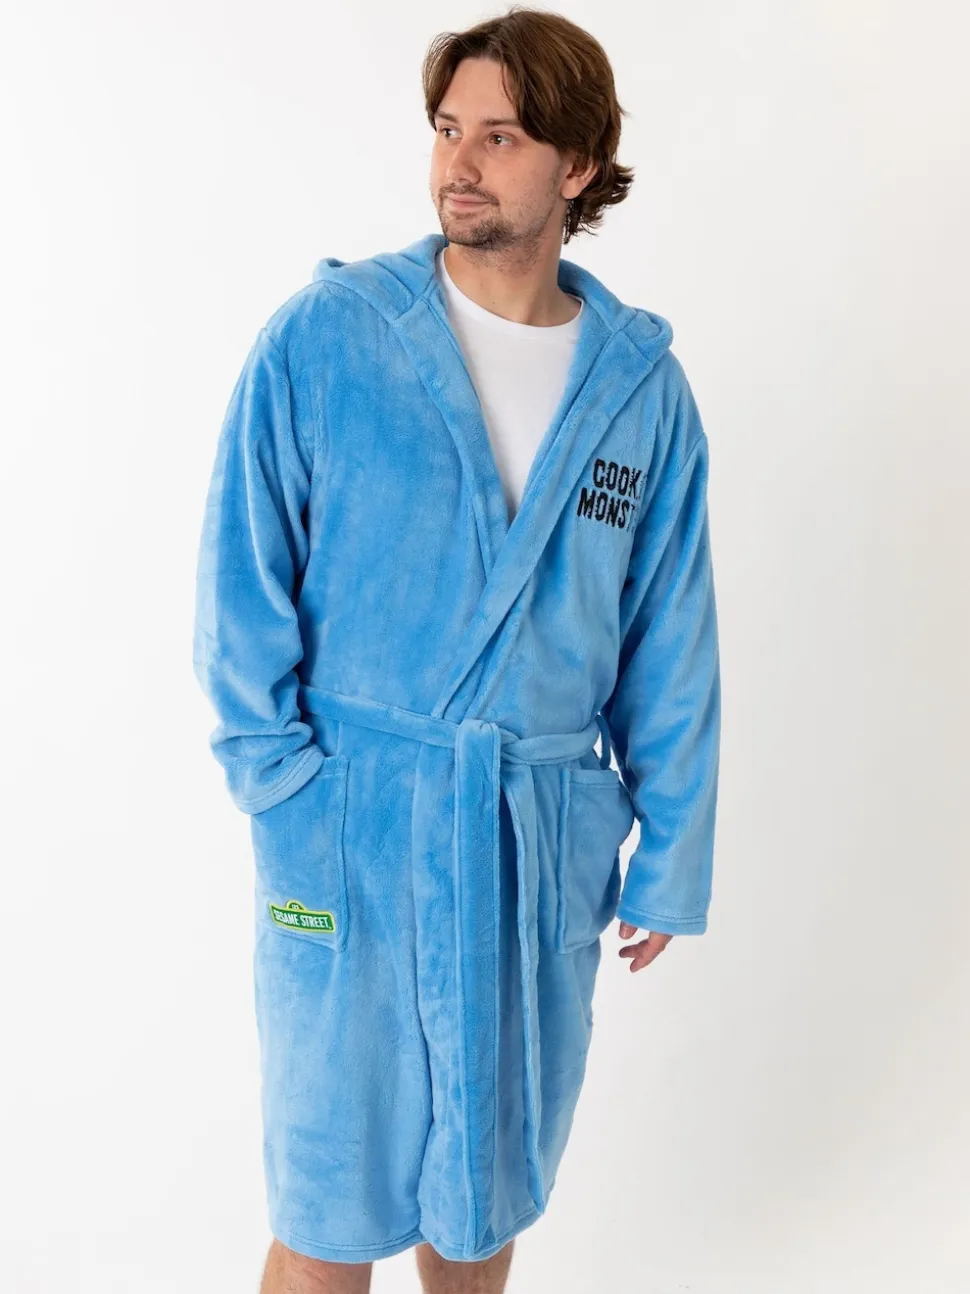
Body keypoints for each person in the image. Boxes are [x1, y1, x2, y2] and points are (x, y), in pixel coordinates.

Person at [192, 8, 721, 1292]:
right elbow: (239, 581)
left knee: (477, 1206)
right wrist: (284, 784)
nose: (458, 164)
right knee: (328, 1203)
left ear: (577, 166)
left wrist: (667, 852)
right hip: (350, 826)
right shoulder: (328, 336)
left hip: (529, 837)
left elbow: (670, 632)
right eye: (446, 130)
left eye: (500, 137)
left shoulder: (638, 391)